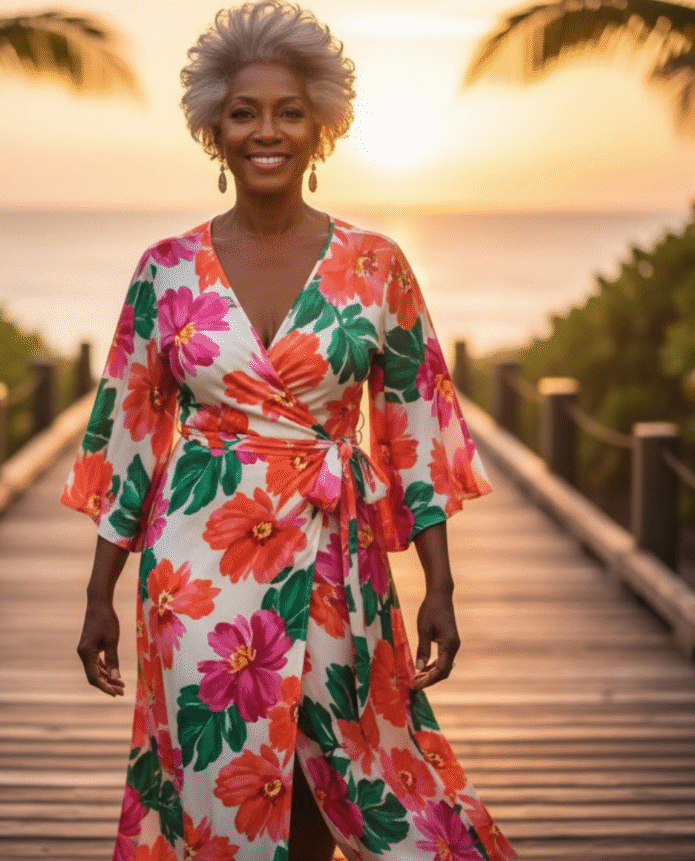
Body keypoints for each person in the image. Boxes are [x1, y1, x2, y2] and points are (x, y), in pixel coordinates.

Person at [61, 3, 516, 859]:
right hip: (197, 569)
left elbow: (417, 428)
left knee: (336, 771)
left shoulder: (376, 265)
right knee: (223, 781)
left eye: (289, 112)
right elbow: (127, 438)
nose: (266, 132)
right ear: (214, 130)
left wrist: (441, 585)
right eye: (244, 113)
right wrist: (98, 595)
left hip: (336, 556)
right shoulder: (165, 270)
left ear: (321, 129)